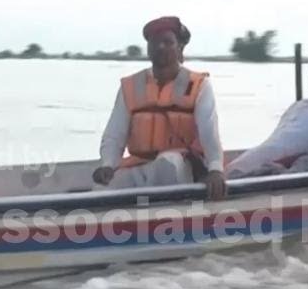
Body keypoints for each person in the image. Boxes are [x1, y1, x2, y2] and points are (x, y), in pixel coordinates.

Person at [93, 16, 227, 200]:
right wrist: (108, 165)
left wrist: (215, 169)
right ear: (148, 50)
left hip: (181, 166)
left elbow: (209, 134)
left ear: (180, 49)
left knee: (168, 164)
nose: (161, 47)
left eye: (168, 42)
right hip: (140, 165)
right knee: (104, 189)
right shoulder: (131, 86)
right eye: (155, 42)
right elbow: (114, 135)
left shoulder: (199, 85)